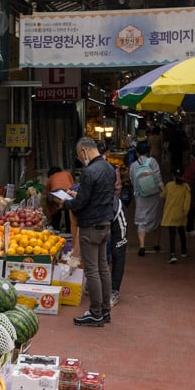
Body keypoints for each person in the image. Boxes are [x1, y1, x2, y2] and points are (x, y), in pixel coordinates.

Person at [62, 136, 117, 326]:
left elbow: (81, 202)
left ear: (84, 151)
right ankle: (105, 311)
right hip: (105, 224)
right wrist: (79, 196)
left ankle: (95, 313)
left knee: (92, 270)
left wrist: (66, 203)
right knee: (103, 267)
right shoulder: (109, 168)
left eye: (79, 155)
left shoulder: (88, 172)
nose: (80, 159)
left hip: (90, 227)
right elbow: (94, 196)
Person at [129, 139, 163, 256]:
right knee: (157, 218)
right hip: (154, 195)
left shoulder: (133, 165)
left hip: (141, 197)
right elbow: (158, 179)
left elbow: (133, 182)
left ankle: (142, 246)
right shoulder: (153, 162)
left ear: (137, 152)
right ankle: (156, 244)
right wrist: (163, 193)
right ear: (148, 152)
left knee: (141, 220)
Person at [108, 164, 130, 306]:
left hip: (117, 218)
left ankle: (114, 291)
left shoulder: (110, 169)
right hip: (99, 221)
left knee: (118, 254)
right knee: (100, 255)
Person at [160, 167, 191, 263]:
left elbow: (162, 195)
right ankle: (184, 250)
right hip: (180, 213)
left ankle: (172, 253)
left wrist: (161, 189)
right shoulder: (186, 187)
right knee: (181, 232)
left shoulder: (169, 185)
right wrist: (185, 211)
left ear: (173, 176)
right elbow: (187, 201)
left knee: (172, 234)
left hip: (170, 213)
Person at [46, 165, 75, 233]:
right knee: (68, 213)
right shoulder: (67, 174)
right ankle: (69, 231)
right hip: (68, 193)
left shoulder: (51, 178)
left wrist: (49, 215)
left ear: (50, 175)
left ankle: (56, 230)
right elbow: (73, 185)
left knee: (56, 212)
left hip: (55, 193)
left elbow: (48, 194)